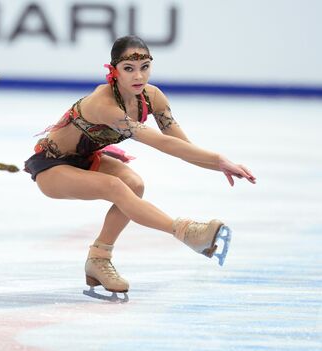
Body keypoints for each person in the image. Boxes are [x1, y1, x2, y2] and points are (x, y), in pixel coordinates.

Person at [24, 35, 256, 299]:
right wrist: (218, 159)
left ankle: (99, 258)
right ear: (114, 70)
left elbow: (181, 146)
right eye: (129, 68)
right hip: (52, 166)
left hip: (87, 160)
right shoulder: (104, 104)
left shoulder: (152, 97)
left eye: (145, 67)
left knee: (135, 185)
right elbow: (161, 143)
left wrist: (220, 164)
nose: (138, 76)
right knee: (115, 186)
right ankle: (187, 232)